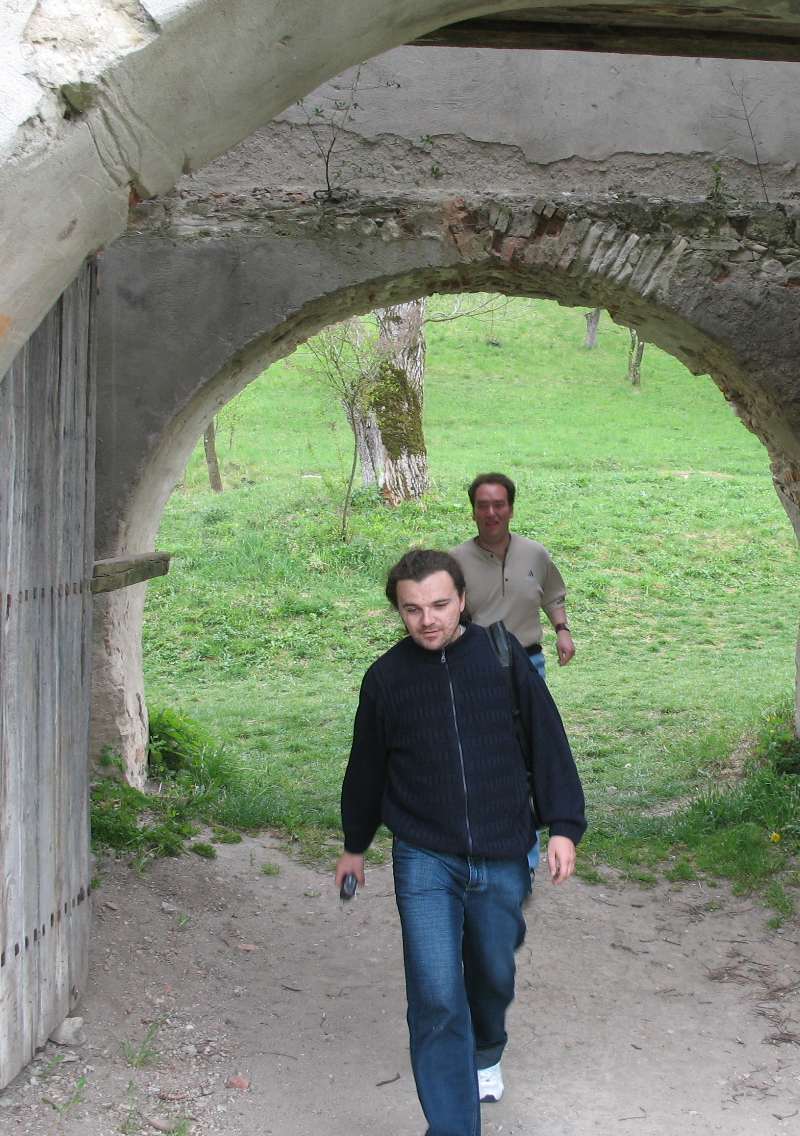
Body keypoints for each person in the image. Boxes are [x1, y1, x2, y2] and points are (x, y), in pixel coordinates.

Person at [335, 549, 587, 1136]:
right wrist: (355, 844)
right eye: (413, 609)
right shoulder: (386, 679)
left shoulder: (501, 655)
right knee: (436, 996)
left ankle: (486, 1045)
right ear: (399, 611)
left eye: (440, 605)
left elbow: (547, 738)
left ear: (463, 601)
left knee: (492, 973)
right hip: (424, 856)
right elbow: (366, 769)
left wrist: (563, 826)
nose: (428, 620)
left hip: (502, 850)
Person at [451, 472, 574, 682]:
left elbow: (552, 597)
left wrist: (563, 631)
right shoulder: (455, 561)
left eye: (499, 505)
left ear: (511, 510)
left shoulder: (534, 553)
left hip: (529, 661)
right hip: (477, 663)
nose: (491, 513)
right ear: (474, 513)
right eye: (482, 506)